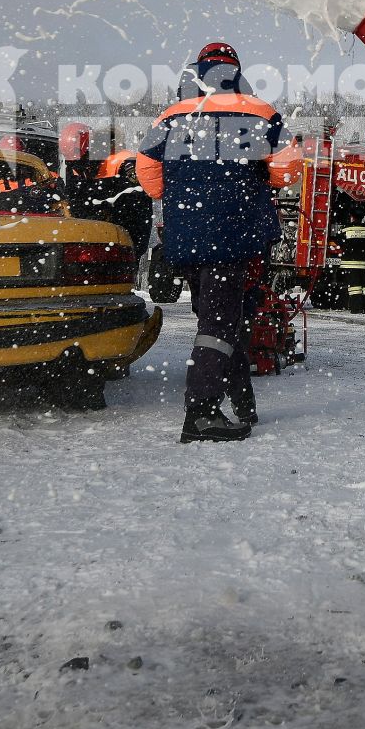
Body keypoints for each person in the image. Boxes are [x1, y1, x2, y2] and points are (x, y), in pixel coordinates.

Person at [137, 42, 300, 443]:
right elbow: (289, 168)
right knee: (221, 324)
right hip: (234, 234)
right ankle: (202, 414)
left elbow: (147, 175)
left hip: (187, 238)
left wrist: (183, 200)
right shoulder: (258, 111)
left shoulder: (171, 116)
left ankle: (243, 403)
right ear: (236, 71)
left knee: (220, 321)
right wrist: (258, 178)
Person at [337, 214, 365, 313]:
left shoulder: (345, 228)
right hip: (363, 263)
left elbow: (339, 241)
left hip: (350, 262)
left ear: (352, 218)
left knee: (355, 287)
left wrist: (347, 248)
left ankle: (355, 309)